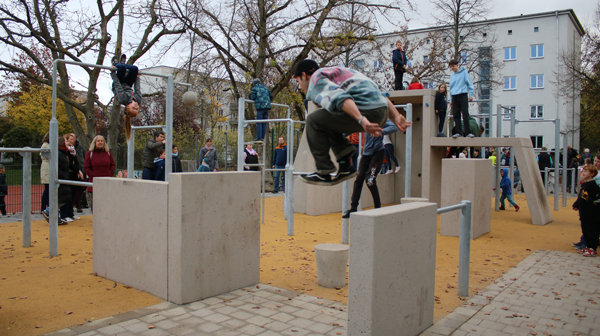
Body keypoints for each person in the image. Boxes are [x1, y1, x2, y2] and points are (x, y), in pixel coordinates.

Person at [291, 59, 411, 185]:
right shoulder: (342, 73)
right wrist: (397, 115)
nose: (300, 87)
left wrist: (362, 120)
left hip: (366, 112)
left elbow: (341, 98)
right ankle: (344, 166)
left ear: (304, 75)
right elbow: (380, 95)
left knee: (313, 119)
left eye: (298, 81)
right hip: (381, 112)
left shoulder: (316, 78)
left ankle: (323, 170)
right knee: (327, 119)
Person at [343, 120, 399, 218]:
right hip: (366, 154)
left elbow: (394, 127)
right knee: (359, 179)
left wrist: (380, 132)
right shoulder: (362, 119)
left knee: (370, 180)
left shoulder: (380, 119)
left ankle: (377, 208)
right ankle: (353, 208)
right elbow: (350, 129)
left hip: (378, 153)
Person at [111, 54, 141, 141]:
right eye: (136, 109)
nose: (135, 107)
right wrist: (138, 77)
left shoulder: (123, 99)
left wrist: (113, 73)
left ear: (128, 106)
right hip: (128, 84)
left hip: (119, 83)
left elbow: (117, 85)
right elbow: (137, 89)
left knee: (121, 68)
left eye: (133, 109)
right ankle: (123, 63)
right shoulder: (138, 100)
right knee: (135, 69)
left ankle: (116, 63)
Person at [43, 137, 72, 225]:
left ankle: (55, 217)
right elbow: (56, 168)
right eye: (66, 141)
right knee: (62, 197)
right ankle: (49, 211)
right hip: (61, 179)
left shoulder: (63, 153)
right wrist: (63, 176)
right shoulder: (58, 153)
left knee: (63, 197)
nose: (68, 143)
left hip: (64, 177)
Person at [572, 164, 600, 257]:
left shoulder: (592, 185)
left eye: (586, 171)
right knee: (585, 229)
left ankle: (593, 248)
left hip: (591, 212)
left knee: (591, 230)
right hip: (584, 211)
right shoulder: (585, 184)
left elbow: (598, 194)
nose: (583, 173)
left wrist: (595, 202)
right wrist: (576, 204)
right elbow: (581, 197)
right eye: (583, 171)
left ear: (592, 174)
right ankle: (588, 246)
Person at [84, 135, 116, 212]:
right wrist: (94, 176)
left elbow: (113, 164)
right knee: (95, 202)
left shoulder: (108, 153)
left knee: (107, 201)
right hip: (95, 182)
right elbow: (86, 167)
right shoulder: (89, 154)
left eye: (102, 141)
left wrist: (109, 174)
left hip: (107, 181)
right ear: (95, 142)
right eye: (98, 141)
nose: (100, 142)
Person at [448, 59, 474, 138]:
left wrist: (471, 95)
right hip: (454, 95)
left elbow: (470, 84)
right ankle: (458, 132)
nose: (452, 68)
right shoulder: (452, 76)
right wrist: (451, 99)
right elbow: (451, 88)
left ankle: (468, 132)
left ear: (457, 65)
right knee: (456, 114)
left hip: (462, 94)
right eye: (451, 67)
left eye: (453, 66)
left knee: (465, 113)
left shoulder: (464, 73)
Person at [61, 134, 83, 222]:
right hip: (68, 174)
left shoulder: (73, 150)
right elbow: (69, 163)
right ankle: (64, 214)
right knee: (66, 195)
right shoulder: (65, 152)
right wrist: (76, 169)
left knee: (72, 194)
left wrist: (78, 170)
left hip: (73, 174)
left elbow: (76, 161)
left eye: (72, 139)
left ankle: (70, 213)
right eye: (69, 140)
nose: (71, 141)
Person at [40, 132, 50, 213]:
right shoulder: (45, 145)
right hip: (47, 168)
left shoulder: (48, 145)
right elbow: (47, 157)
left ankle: (47, 207)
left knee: (49, 189)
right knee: (47, 189)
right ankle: (43, 208)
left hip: (49, 167)